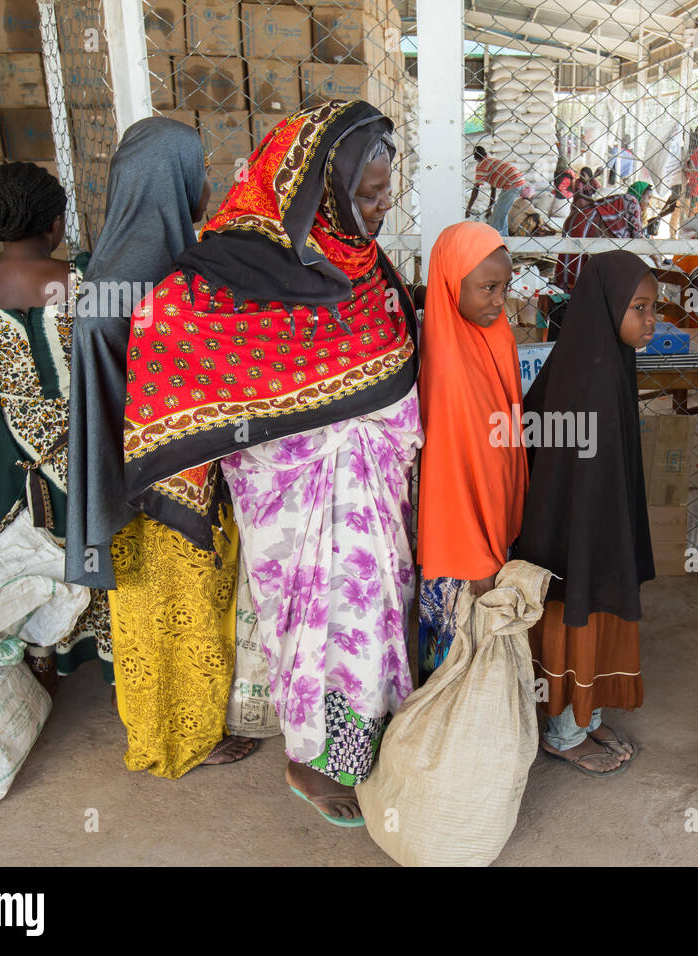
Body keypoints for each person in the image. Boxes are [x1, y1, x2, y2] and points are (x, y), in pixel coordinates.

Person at [122, 101, 421, 827]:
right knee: (318, 626)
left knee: (378, 620)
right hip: (294, 503)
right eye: (367, 195)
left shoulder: (369, 269)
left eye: (386, 192)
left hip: (376, 496)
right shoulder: (235, 270)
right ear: (317, 191)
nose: (381, 210)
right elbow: (163, 329)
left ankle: (363, 743)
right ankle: (310, 758)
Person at [65, 117, 258, 778]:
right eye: (199, 171)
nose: (207, 184)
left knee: (146, 620)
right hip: (176, 485)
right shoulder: (171, 278)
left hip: (124, 484)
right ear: (174, 183)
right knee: (188, 612)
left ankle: (159, 730)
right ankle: (188, 737)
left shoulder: (110, 265)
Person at [0, 161, 111, 686]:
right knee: (91, 541)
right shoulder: (81, 279)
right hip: (79, 437)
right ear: (55, 224)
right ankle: (106, 658)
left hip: (15, 439)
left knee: (26, 542)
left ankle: (42, 655)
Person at [516, 250, 657, 776]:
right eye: (638, 307)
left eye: (653, 308)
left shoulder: (602, 357)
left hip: (587, 533)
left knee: (592, 610)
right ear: (606, 306)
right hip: (572, 539)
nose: (650, 321)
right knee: (579, 613)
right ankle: (564, 731)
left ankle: (584, 712)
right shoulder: (592, 374)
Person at [416, 221, 527, 680]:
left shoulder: (492, 339)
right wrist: (479, 559)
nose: (500, 300)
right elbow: (451, 477)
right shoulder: (445, 364)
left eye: (505, 286)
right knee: (459, 668)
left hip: (492, 533)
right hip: (462, 554)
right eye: (487, 288)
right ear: (449, 283)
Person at [554, 181, 652, 292]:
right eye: (648, 197)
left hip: (577, 220)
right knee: (581, 261)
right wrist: (654, 253)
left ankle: (569, 291)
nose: (649, 203)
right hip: (585, 223)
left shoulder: (622, 199)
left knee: (574, 258)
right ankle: (577, 292)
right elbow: (637, 235)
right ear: (641, 195)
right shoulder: (633, 201)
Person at [468, 145, 526, 219]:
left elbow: (476, 189)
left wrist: (468, 209)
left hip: (512, 184)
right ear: (485, 154)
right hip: (519, 180)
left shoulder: (481, 166)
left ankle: (497, 229)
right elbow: (493, 189)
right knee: (501, 214)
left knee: (497, 216)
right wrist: (489, 208)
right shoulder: (492, 161)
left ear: (475, 157)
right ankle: (501, 229)